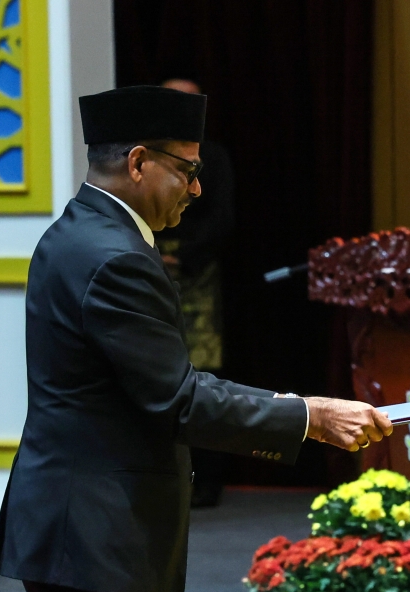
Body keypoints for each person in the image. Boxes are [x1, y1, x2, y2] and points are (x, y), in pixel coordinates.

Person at [0, 86, 392, 592]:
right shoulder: (115, 255)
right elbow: (179, 400)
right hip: (94, 533)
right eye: (188, 170)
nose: (198, 188)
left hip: (75, 524)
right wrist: (309, 416)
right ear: (137, 163)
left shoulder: (80, 231)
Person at [158, 77, 235, 507]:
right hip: (152, 262)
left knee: (205, 375)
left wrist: (183, 257)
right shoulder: (148, 158)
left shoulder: (214, 157)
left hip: (196, 274)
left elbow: (222, 218)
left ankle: (208, 482)